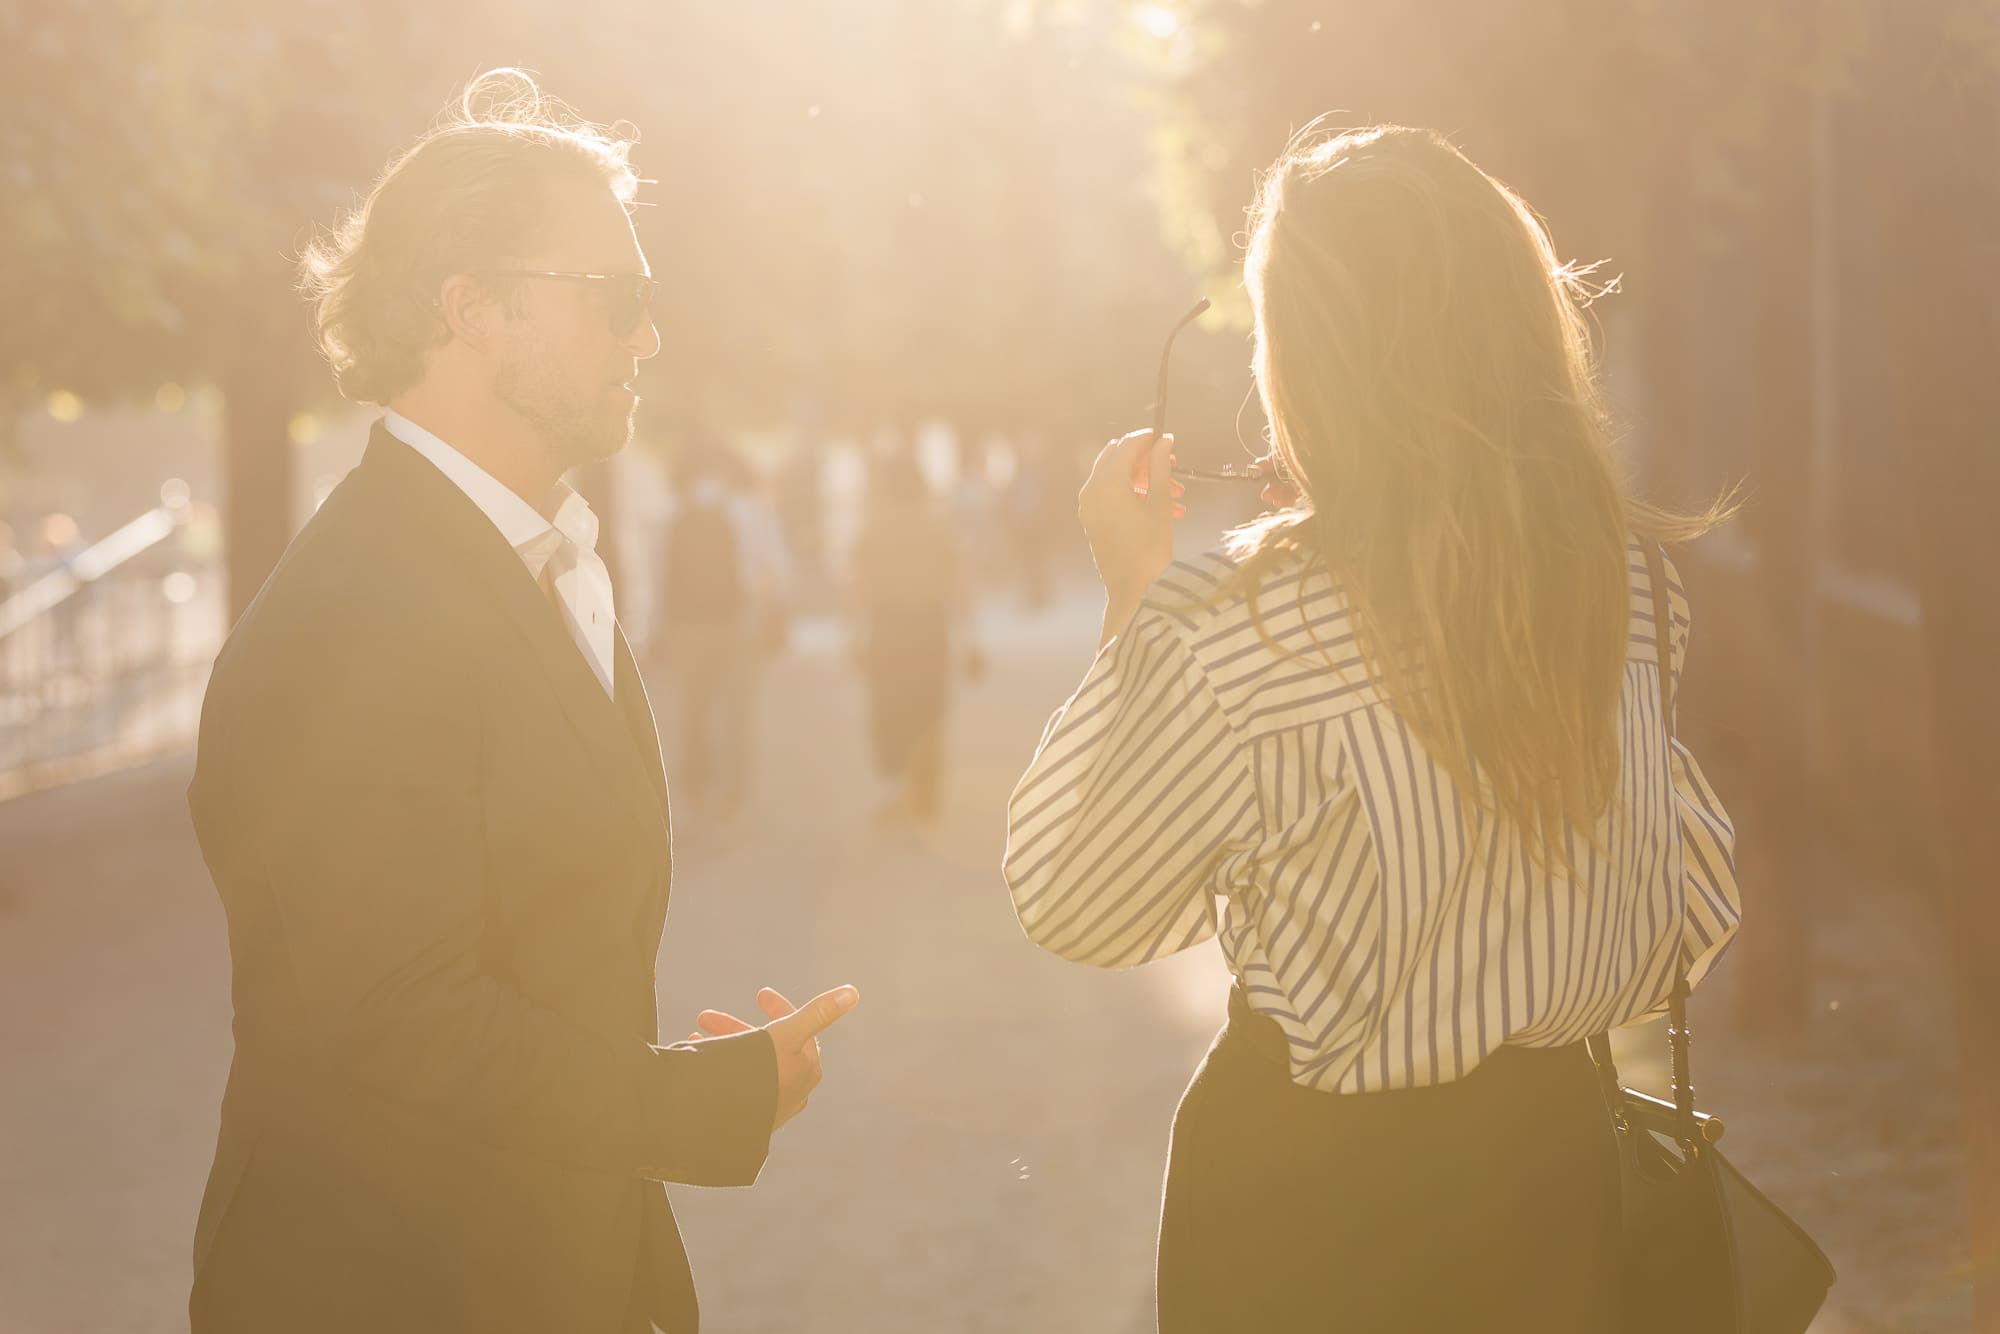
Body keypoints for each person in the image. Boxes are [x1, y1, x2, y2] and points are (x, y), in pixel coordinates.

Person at [1001, 124, 1741, 1334]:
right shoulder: (1625, 587)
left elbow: (1081, 901)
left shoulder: (1234, 626)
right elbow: (1691, 907)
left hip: (1317, 1207)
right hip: (1557, 1176)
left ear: (1314, 357)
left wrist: (1127, 595)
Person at [186, 70, 857, 1334]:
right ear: (472, 309)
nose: (646, 335)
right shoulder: (360, 609)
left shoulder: (519, 557)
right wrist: (699, 1101)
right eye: (617, 299)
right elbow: (401, 1021)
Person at [657, 441, 793, 823]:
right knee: (738, 708)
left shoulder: (678, 509)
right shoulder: (752, 509)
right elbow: (778, 570)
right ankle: (734, 795)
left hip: (686, 622)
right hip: (739, 619)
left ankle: (694, 789)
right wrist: (778, 617)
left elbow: (661, 573)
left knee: (692, 708)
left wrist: (659, 630)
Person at [847, 450, 968, 822]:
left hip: (887, 627)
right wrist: (972, 635)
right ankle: (926, 795)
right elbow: (960, 580)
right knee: (929, 707)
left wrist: (852, 636)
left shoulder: (874, 526)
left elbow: (857, 585)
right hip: (930, 627)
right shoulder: (937, 524)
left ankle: (898, 787)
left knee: (890, 705)